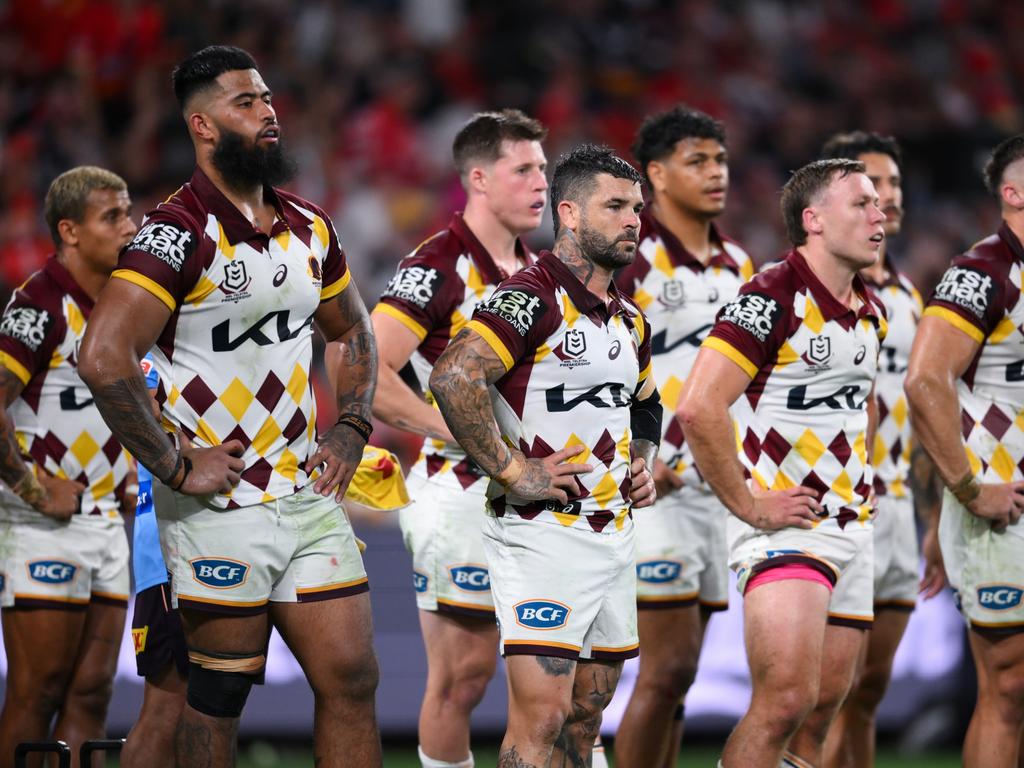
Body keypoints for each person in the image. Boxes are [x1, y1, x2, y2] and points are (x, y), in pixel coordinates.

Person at [78, 45, 381, 768]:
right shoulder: (175, 233)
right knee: (215, 699)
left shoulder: (311, 227)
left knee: (352, 679)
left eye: (268, 99)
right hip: (218, 508)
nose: (268, 113)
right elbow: (102, 354)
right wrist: (176, 464)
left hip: (305, 496)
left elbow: (353, 331)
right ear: (202, 127)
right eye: (245, 104)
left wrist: (350, 424)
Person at [429, 144, 660, 767]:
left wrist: (641, 463)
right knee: (544, 716)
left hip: (613, 534)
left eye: (637, 208)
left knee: (586, 717)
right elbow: (454, 377)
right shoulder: (530, 295)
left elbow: (645, 402)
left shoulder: (627, 318)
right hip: (540, 535)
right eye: (615, 206)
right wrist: (510, 469)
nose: (633, 220)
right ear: (571, 213)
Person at [678, 158, 887, 768]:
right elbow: (698, 407)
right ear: (813, 219)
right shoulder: (770, 296)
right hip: (785, 527)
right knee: (786, 700)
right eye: (862, 204)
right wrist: (747, 505)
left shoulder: (868, 308)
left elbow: (861, 406)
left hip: (852, 524)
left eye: (879, 204)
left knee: (820, 714)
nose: (880, 216)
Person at [368, 108, 547, 768]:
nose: (541, 183)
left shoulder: (546, 271)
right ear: (477, 178)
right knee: (463, 679)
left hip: (542, 497)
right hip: (465, 493)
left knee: (558, 680)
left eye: (544, 169)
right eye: (523, 169)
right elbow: (367, 369)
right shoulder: (437, 266)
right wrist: (460, 429)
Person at [613, 105, 754, 768]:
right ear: (657, 175)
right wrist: (634, 455)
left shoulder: (738, 264)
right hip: (654, 491)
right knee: (664, 670)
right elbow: (589, 362)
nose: (715, 172)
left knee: (682, 679)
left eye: (720, 159)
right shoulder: (629, 260)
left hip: (712, 493)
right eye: (697, 161)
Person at [0, 166, 138, 767]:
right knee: (38, 693)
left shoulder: (124, 307)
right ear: (70, 231)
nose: (130, 228)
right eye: (113, 217)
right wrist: (31, 489)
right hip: (42, 529)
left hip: (107, 523)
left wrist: (132, 467)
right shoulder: (38, 305)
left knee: (92, 693)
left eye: (129, 213)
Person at [818, 131, 945, 767]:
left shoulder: (905, 298)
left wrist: (935, 521)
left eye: (893, 184)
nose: (886, 197)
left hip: (895, 508)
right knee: (816, 696)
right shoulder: (800, 293)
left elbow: (922, 416)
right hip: (829, 509)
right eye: (872, 184)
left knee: (867, 691)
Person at [905, 134, 1024, 768]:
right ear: (1013, 192)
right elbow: (925, 382)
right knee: (1009, 685)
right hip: (1003, 509)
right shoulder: (982, 274)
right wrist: (966, 490)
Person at [120, 353, 188, 768]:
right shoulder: (150, 359)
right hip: (167, 551)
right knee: (167, 706)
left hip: (217, 542)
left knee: (213, 708)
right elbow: (136, 416)